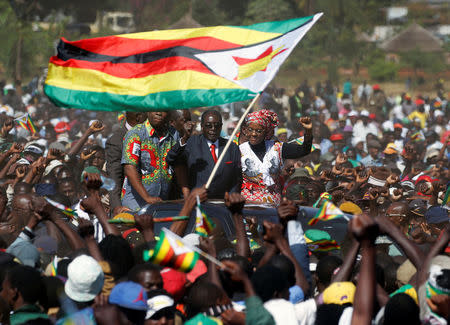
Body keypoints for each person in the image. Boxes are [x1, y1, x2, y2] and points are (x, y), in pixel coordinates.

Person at [240, 110, 312, 204]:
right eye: (250, 130)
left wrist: (308, 131)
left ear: (266, 132)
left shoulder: (277, 147)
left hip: (273, 208)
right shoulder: (239, 150)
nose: (254, 134)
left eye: (258, 131)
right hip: (249, 207)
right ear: (245, 131)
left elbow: (304, 150)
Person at [167, 110, 242, 199]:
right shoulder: (191, 143)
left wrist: (231, 197)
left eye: (216, 125)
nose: (213, 129)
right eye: (208, 125)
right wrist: (184, 139)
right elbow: (171, 158)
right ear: (202, 127)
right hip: (198, 202)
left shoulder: (231, 147)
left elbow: (236, 179)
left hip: (223, 203)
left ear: (221, 126)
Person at [121, 111, 178, 211]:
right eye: (154, 109)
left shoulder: (174, 134)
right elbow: (129, 168)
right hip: (136, 203)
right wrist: (147, 197)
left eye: (163, 110)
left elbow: (179, 165)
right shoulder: (135, 133)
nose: (158, 113)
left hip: (161, 203)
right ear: (147, 112)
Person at [106, 112, 146, 215]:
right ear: (139, 116)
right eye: (147, 113)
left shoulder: (150, 134)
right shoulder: (117, 140)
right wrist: (117, 207)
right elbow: (114, 176)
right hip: (132, 204)